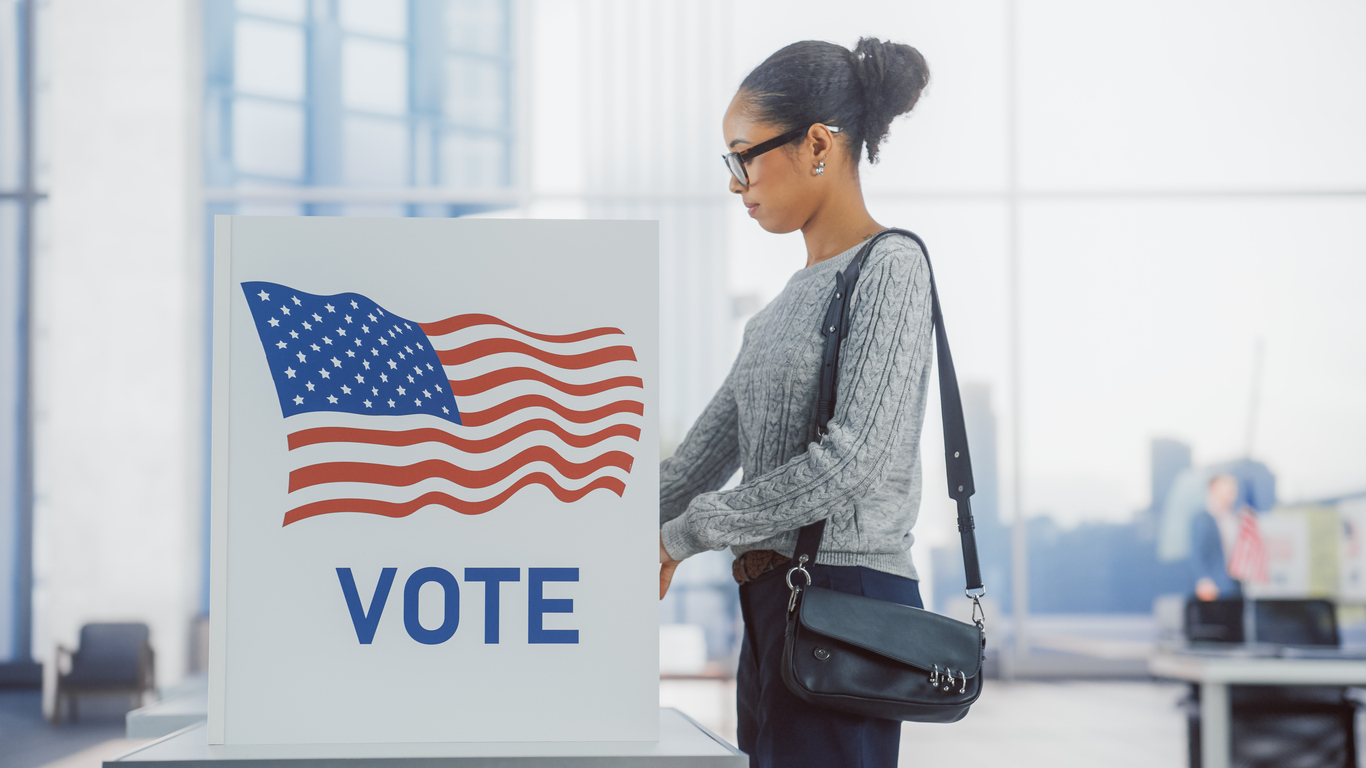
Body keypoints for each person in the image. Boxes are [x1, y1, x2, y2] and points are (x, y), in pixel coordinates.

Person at [657, 37, 934, 768]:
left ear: (817, 143)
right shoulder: (779, 309)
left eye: (744, 154)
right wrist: (587, 528)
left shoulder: (892, 266)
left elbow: (851, 461)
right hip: (773, 601)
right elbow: (695, 466)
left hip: (843, 602)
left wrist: (685, 536)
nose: (735, 180)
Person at [1191, 473, 1244, 600]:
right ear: (1213, 488)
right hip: (1214, 588)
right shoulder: (1203, 518)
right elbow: (1197, 554)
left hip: (1237, 586)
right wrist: (1203, 580)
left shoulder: (1237, 518)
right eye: (1226, 485)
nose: (1232, 489)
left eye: (1233, 486)